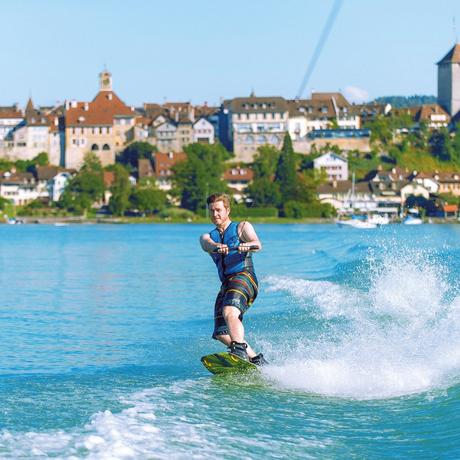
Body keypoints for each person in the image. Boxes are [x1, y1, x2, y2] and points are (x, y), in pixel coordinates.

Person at [200, 193, 267, 365]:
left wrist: (247, 244)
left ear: (227, 210)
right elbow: (206, 244)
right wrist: (216, 247)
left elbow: (258, 244)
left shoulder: (242, 227)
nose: (215, 214)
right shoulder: (207, 237)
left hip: (244, 277)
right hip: (227, 284)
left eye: (219, 210)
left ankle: (238, 350)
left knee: (230, 312)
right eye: (211, 211)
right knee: (222, 332)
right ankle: (254, 359)